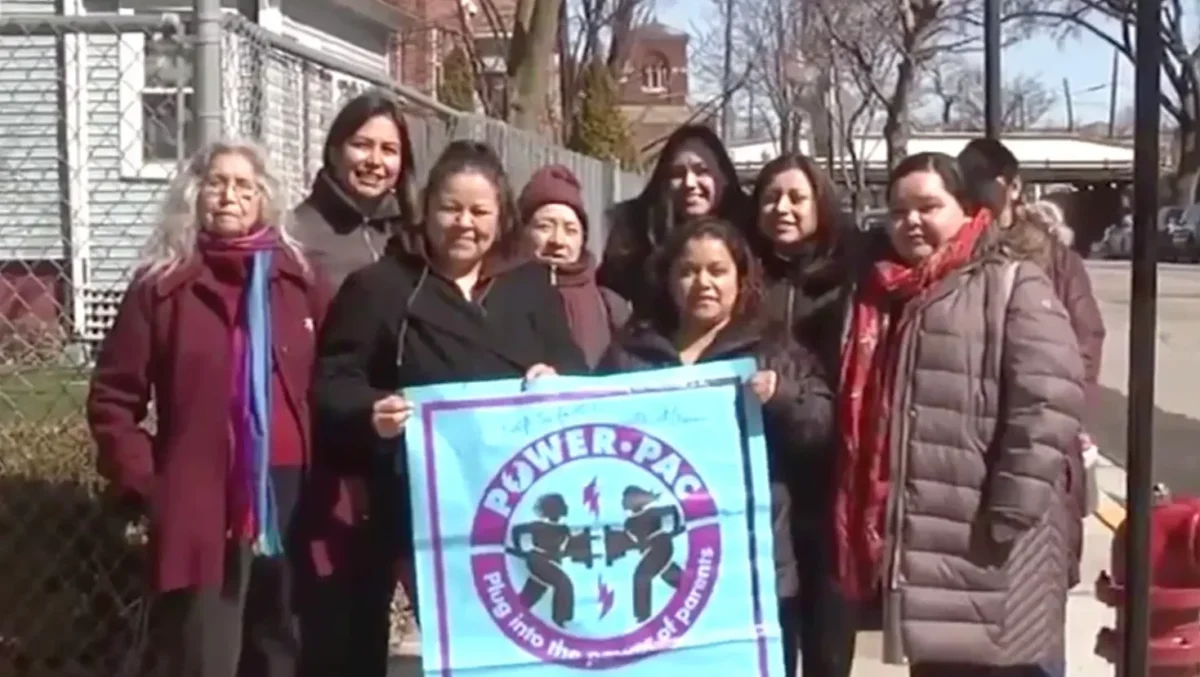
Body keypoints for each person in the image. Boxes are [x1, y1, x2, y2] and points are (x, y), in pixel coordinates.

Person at [311, 140, 588, 661]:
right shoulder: (381, 287)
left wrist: (556, 377)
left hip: (524, 507)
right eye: (451, 208)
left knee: (524, 647)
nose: (465, 223)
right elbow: (332, 384)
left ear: (501, 216)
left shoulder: (528, 284)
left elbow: (573, 368)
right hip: (419, 506)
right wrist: (371, 410)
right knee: (456, 645)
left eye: (479, 211)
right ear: (427, 209)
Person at [835, 152, 1084, 677]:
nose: (911, 222)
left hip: (993, 547)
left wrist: (1009, 513)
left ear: (969, 211)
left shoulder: (1013, 283)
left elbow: (1048, 402)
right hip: (927, 551)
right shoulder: (887, 295)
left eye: (929, 206)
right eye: (898, 210)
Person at [87, 140, 328, 677]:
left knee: (281, 642)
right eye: (217, 183)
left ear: (265, 199)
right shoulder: (163, 287)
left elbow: (333, 376)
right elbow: (114, 398)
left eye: (245, 186)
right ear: (194, 195)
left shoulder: (297, 281)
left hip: (291, 491)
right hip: (202, 494)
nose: (229, 196)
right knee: (206, 650)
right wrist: (149, 482)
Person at [598, 216, 833, 677]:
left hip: (750, 566)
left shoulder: (773, 347)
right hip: (652, 568)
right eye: (687, 271)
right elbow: (589, 430)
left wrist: (782, 397)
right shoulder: (632, 351)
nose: (702, 282)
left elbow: (821, 429)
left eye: (717, 270)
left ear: (740, 278)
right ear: (667, 279)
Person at [290, 90, 420, 677]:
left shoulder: (412, 239)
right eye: (362, 144)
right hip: (324, 449)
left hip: (398, 450)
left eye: (389, 149)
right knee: (322, 619)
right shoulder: (297, 236)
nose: (375, 160)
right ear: (334, 149)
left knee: (371, 615)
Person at [957, 138, 1104, 591]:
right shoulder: (951, 257)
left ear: (1014, 187)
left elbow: (1085, 345)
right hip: (964, 450)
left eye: (987, 184)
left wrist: (1048, 419)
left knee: (1037, 594)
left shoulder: (1055, 259)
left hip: (1038, 450)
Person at [747, 153, 858, 677]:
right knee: (771, 625)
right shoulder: (740, 273)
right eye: (770, 197)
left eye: (796, 197)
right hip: (762, 471)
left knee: (828, 637)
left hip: (836, 474)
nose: (782, 208)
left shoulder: (854, 276)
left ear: (821, 203)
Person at [599, 124, 750, 314]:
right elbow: (610, 296)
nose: (689, 183)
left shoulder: (750, 227)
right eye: (678, 173)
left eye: (701, 171)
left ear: (724, 176)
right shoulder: (636, 227)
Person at [517, 164, 629, 368]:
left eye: (570, 230)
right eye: (545, 227)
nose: (558, 240)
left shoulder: (610, 307)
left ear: (582, 239)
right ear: (522, 231)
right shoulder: (494, 298)